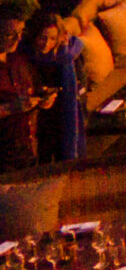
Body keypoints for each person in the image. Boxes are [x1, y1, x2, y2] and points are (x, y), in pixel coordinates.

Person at [0, 0, 49, 171]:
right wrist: (11, 108)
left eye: (20, 32)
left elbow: (35, 90)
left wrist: (44, 99)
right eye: (9, 34)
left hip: (29, 153)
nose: (17, 39)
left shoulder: (20, 60)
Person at [31, 12, 83, 163]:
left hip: (62, 111)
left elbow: (75, 89)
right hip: (37, 114)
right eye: (42, 37)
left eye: (52, 38)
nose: (47, 43)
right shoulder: (27, 55)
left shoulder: (67, 54)